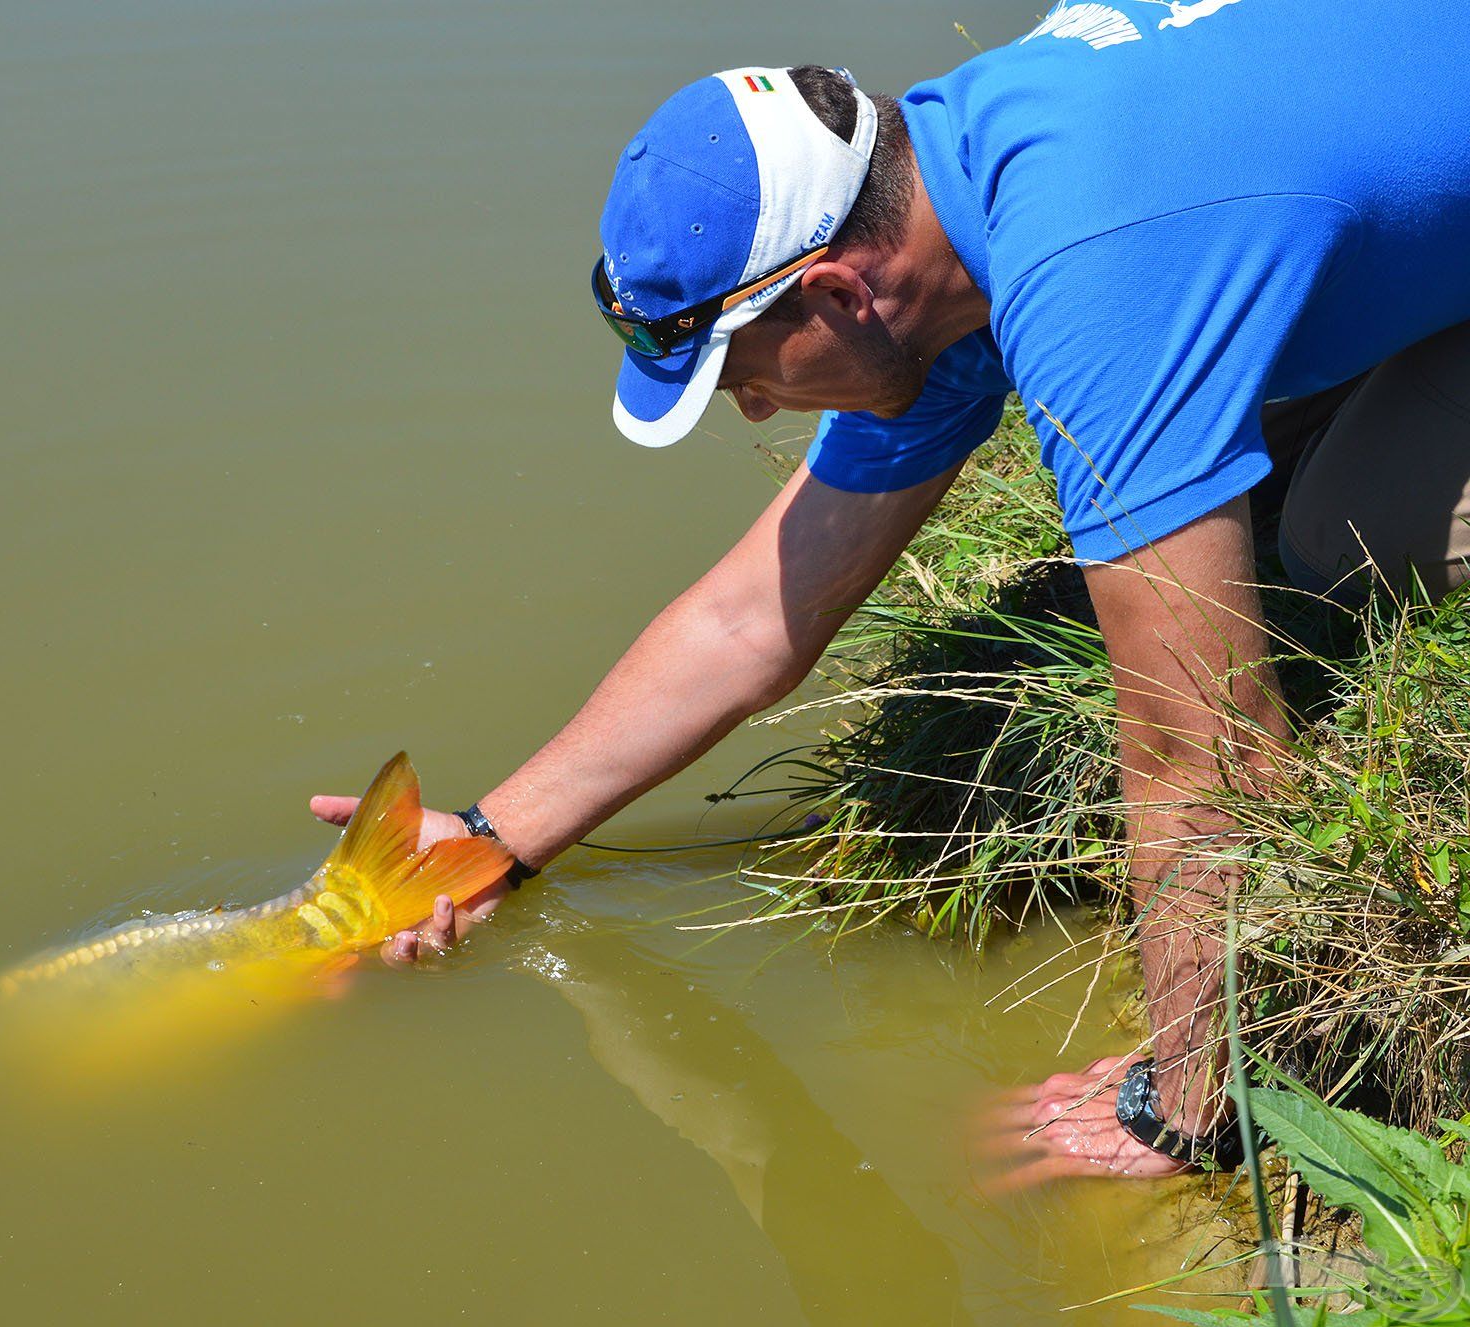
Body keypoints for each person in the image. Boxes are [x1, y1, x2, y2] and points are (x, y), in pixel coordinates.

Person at [313, 0, 1470, 1185]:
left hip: (1201, 233)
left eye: (746, 373)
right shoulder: (945, 185)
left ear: (836, 294)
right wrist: (494, 838)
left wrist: (1188, 1102)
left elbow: (1197, 736)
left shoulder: (1086, 273)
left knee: (1343, 535)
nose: (759, 410)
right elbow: (754, 613)